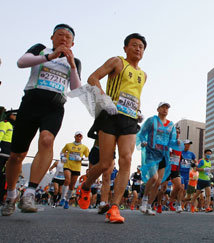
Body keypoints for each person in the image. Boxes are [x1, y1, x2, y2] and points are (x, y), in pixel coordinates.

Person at [2, 24, 82, 216]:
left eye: (68, 37)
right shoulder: (40, 49)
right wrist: (49, 57)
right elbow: (21, 63)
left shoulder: (75, 60)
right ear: (52, 38)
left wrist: (71, 66)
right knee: (16, 155)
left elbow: (76, 89)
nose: (64, 39)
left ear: (73, 43)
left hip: (54, 106)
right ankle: (11, 194)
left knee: (47, 140)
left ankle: (29, 192)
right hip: (31, 102)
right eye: (60, 35)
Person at [77, 33, 147, 223]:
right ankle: (85, 186)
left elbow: (134, 95)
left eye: (141, 47)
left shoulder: (143, 75)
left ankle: (114, 207)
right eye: (134, 45)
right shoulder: (117, 61)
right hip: (110, 115)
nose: (138, 49)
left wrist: (138, 110)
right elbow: (93, 78)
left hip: (130, 120)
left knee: (126, 159)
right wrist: (105, 99)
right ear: (125, 48)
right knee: (105, 164)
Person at [136, 102, 180, 216]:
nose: (165, 109)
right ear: (158, 109)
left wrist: (177, 143)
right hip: (151, 153)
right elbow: (141, 134)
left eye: (167, 108)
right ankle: (144, 200)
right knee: (154, 178)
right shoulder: (152, 121)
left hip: (163, 155)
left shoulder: (171, 125)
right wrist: (143, 142)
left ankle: (150, 206)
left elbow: (172, 140)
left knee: (158, 182)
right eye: (163, 107)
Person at [60, 131, 89, 209]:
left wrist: (81, 158)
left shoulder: (84, 147)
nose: (78, 137)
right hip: (67, 166)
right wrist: (64, 159)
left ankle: (67, 200)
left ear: (82, 137)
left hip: (76, 168)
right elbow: (62, 153)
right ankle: (62, 198)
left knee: (72, 186)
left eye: (80, 136)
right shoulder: (68, 145)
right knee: (67, 180)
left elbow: (88, 157)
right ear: (75, 136)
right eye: (77, 136)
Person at [0, 110, 16, 203]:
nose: (16, 117)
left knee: (4, 178)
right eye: (14, 115)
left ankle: (1, 198)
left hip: (8, 155)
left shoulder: (13, 127)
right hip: (2, 153)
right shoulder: (4, 124)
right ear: (10, 116)